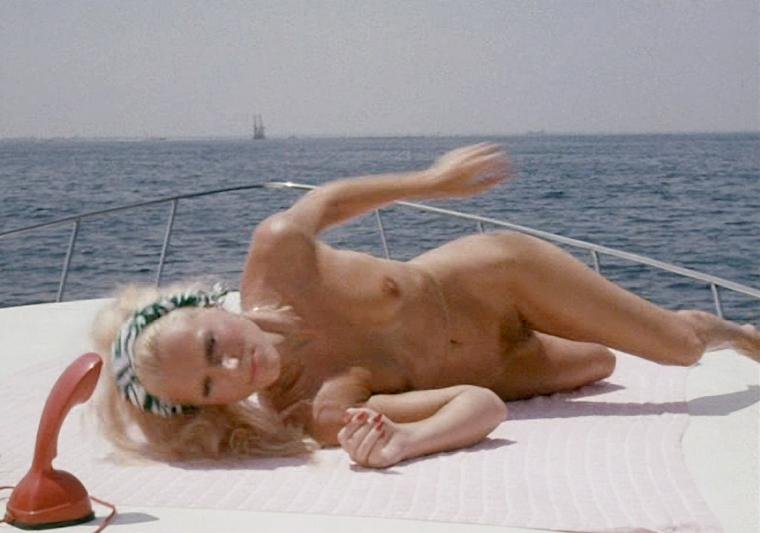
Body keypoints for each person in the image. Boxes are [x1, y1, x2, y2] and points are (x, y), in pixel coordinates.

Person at [91, 143, 760, 469]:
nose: (235, 366)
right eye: (211, 384)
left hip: (498, 279)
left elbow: (326, 201)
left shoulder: (278, 254)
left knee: (680, 349)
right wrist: (403, 442)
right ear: (213, 406)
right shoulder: (317, 409)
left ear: (210, 306)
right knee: (600, 362)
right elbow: (481, 404)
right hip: (497, 368)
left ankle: (728, 329)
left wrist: (433, 181)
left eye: (213, 345)